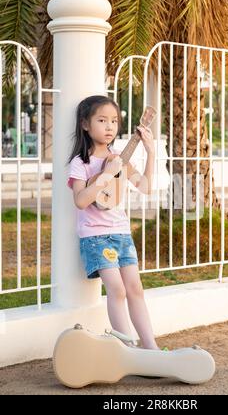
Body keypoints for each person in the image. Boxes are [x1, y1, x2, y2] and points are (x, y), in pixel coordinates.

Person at [66, 95, 160, 350]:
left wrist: (151, 152)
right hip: (96, 237)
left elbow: (146, 187)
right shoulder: (81, 163)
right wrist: (106, 175)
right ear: (86, 124)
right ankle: (127, 348)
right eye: (102, 120)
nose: (109, 126)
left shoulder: (120, 158)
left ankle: (150, 346)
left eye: (114, 121)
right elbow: (82, 201)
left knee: (135, 289)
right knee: (117, 289)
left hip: (122, 234)